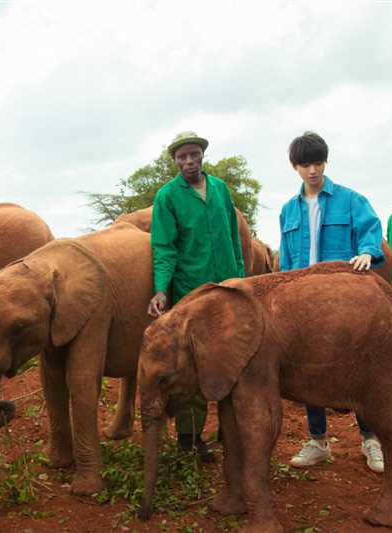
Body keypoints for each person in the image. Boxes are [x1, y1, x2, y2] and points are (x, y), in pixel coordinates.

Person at [278, 131, 386, 474]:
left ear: (326, 162)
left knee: (356, 369)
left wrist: (368, 253)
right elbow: (284, 260)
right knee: (310, 369)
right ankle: (318, 441)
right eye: (306, 164)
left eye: (318, 162)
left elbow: (371, 232)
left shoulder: (351, 200)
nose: (313, 170)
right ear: (295, 167)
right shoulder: (287, 211)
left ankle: (371, 440)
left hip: (343, 301)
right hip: (304, 303)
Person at [148, 131, 245, 461]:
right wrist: (161, 289)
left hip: (228, 289)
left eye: (193, 155)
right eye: (181, 157)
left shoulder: (219, 189)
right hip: (192, 292)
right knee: (195, 365)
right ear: (174, 161)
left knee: (235, 358)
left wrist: (241, 281)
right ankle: (190, 439)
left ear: (202, 155)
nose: (188, 162)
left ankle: (232, 431)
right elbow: (164, 247)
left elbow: (234, 240)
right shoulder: (167, 196)